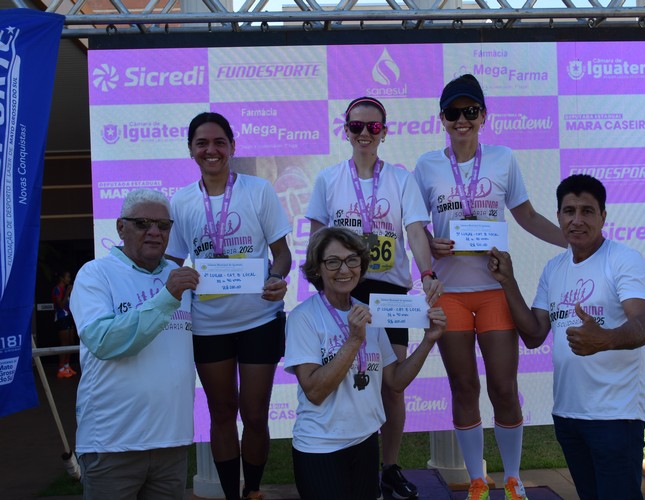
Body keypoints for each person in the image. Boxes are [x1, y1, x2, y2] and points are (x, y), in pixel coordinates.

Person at [412, 74, 567, 500]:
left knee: (502, 386)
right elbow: (412, 228)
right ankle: (477, 480)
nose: (462, 120)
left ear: (483, 116)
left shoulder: (503, 158)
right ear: (441, 118)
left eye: (470, 112)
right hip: (450, 294)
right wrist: (430, 241)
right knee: (463, 386)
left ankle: (513, 478)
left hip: (495, 290)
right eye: (453, 113)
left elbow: (528, 216)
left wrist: (574, 240)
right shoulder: (427, 165)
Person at [306, 96, 443, 499]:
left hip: (388, 291)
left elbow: (415, 231)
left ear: (385, 132)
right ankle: (346, 458)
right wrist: (318, 283)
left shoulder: (401, 180)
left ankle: (389, 467)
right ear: (345, 129)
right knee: (344, 373)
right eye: (357, 127)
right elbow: (317, 237)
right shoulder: (328, 179)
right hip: (343, 286)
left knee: (392, 383)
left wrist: (428, 273)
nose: (365, 134)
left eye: (374, 127)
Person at [488, 174, 645, 500]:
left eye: (587, 211)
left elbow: (644, 326)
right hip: (568, 415)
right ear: (559, 217)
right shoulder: (554, 268)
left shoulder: (623, 260)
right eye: (569, 211)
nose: (577, 220)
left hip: (615, 417)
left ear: (603, 217)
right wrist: (507, 281)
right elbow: (535, 334)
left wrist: (603, 339)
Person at [166, 112, 292, 500]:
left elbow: (282, 255)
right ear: (191, 150)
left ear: (233, 147)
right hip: (208, 326)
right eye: (202, 143)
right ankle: (230, 495)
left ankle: (253, 490)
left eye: (219, 142)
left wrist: (277, 279)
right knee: (221, 414)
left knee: (254, 414)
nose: (211, 150)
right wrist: (176, 281)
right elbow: (172, 262)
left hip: (259, 320)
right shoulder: (182, 201)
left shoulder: (258, 191)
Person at [285, 227, 446, 500]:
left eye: (352, 260)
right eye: (333, 261)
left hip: (365, 442)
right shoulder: (304, 317)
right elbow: (314, 391)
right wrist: (353, 341)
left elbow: (394, 381)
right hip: (320, 447)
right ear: (317, 268)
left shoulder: (368, 312)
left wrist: (429, 341)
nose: (344, 269)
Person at [70, 189, 200, 499]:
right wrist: (166, 298)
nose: (155, 232)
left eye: (164, 225)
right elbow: (103, 341)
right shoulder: (95, 274)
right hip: (113, 442)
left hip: (172, 441)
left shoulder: (181, 276)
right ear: (120, 227)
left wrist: (266, 285)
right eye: (142, 223)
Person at [52, 270, 76, 378]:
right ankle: (61, 368)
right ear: (62, 278)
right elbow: (60, 305)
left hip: (69, 317)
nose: (69, 279)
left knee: (71, 342)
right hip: (61, 317)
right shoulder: (57, 289)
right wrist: (67, 293)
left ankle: (67, 365)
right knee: (64, 343)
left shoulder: (67, 289)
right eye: (67, 277)